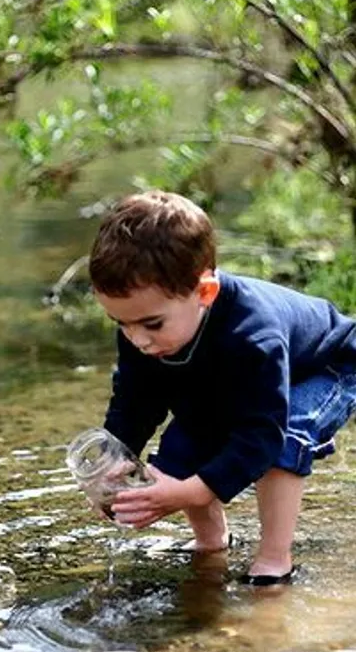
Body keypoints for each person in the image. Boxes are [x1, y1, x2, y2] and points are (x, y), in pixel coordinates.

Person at [88, 189, 356, 586]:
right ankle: (212, 542)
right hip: (243, 374)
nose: (137, 340)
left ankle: (274, 559)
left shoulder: (254, 336)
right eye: (120, 324)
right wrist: (116, 458)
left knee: (287, 440)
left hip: (325, 365)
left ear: (205, 293)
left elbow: (262, 435)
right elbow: (135, 399)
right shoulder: (141, 327)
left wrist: (194, 492)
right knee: (186, 439)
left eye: (151, 325)